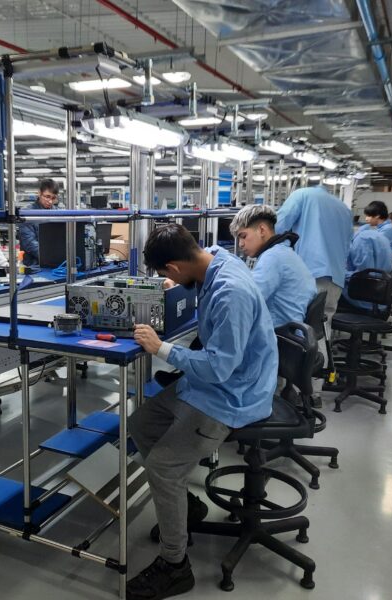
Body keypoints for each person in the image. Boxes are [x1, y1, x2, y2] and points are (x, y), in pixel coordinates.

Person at [127, 224, 278, 600]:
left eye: (165, 274)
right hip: (209, 383)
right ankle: (186, 507)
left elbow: (219, 368)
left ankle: (175, 566)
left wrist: (161, 349)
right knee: (141, 423)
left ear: (175, 266)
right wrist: (173, 284)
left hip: (233, 394)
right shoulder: (215, 258)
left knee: (163, 467)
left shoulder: (231, 292)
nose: (167, 279)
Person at [275, 185, 352, 405]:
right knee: (320, 331)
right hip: (335, 278)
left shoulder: (302, 195)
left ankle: (286, 392)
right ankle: (313, 392)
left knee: (293, 332)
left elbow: (276, 227)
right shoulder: (343, 208)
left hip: (308, 274)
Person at [230, 204, 317, 328]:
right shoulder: (284, 252)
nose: (240, 244)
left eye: (243, 236)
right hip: (293, 329)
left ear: (262, 230)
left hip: (278, 333)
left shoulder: (272, 257)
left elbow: (248, 299)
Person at [339, 228, 392, 313]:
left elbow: (364, 276)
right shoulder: (376, 235)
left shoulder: (361, 240)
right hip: (380, 292)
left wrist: (340, 274)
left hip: (365, 298)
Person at [18, 178, 59, 266]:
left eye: (53, 198)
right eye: (47, 196)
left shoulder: (57, 212)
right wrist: (51, 257)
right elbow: (29, 243)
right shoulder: (27, 213)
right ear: (39, 193)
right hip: (33, 265)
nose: (50, 201)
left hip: (55, 263)